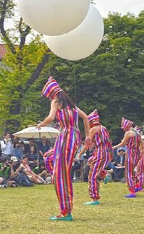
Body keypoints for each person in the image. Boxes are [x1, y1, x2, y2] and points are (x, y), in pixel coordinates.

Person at [36, 76, 92, 221]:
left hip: (66, 136)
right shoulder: (71, 105)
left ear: (51, 94)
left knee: (61, 175)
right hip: (74, 138)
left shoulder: (56, 101)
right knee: (51, 160)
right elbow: (86, 117)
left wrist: (41, 124)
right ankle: (64, 204)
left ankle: (66, 211)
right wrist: (88, 137)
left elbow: (51, 117)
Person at [81, 110, 111, 205]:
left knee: (92, 175)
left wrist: (79, 154)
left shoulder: (93, 129)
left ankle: (94, 198)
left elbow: (87, 145)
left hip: (99, 153)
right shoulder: (103, 128)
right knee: (90, 162)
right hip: (105, 152)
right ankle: (104, 174)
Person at [113, 117, 144, 199]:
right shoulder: (137, 132)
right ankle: (137, 185)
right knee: (133, 171)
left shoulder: (128, 133)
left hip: (130, 153)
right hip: (137, 153)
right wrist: (141, 151)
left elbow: (122, 143)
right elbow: (142, 143)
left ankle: (132, 191)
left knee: (129, 172)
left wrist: (112, 148)